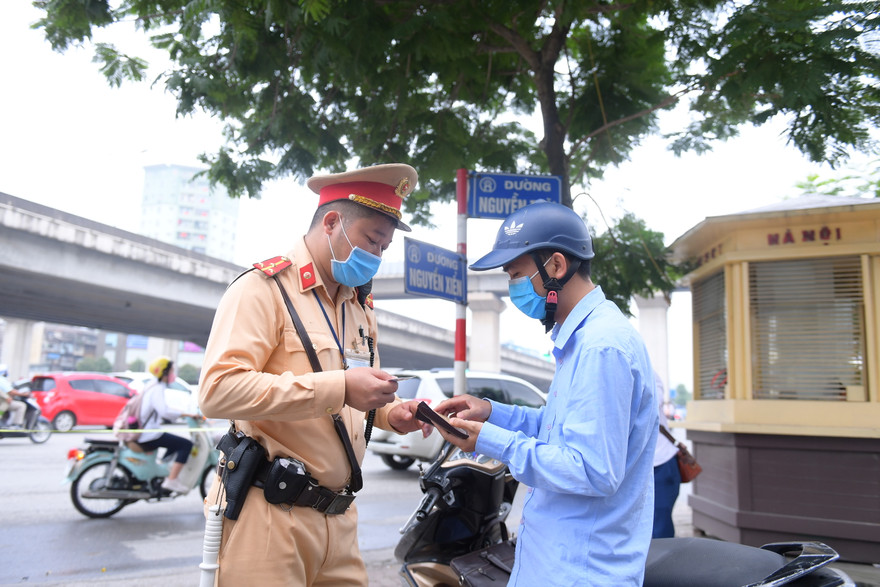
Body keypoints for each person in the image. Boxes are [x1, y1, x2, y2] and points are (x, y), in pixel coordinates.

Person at [199, 163, 429, 586]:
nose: (377, 256)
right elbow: (217, 391)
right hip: (267, 517)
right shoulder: (264, 288)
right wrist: (339, 387)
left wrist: (393, 413)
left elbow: (359, 392)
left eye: (385, 247)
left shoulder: (359, 307)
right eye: (371, 240)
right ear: (331, 222)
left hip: (339, 519)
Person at [431, 201, 658, 586]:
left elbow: (592, 469)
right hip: (555, 563)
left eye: (517, 275)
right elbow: (559, 429)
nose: (513, 289)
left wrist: (492, 441)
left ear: (555, 266)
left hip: (581, 572)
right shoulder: (581, 340)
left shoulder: (601, 347)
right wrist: (491, 413)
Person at [137, 356, 198, 494]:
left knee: (174, 443)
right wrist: (186, 414)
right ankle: (172, 479)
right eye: (171, 371)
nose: (173, 374)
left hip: (146, 432)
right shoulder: (157, 388)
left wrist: (184, 413)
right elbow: (164, 411)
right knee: (185, 444)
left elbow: (164, 408)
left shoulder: (151, 385)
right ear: (164, 372)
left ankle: (164, 472)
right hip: (150, 434)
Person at [653, 371, 681, 538]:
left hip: (660, 463)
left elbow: (650, 403)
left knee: (660, 528)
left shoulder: (647, 373)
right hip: (633, 466)